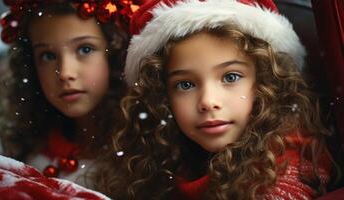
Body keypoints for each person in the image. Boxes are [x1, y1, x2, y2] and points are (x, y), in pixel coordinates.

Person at [95, 0, 337, 199]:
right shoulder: (165, 161)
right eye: (185, 84)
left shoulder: (289, 170)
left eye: (230, 77)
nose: (208, 101)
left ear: (266, 83)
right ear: (162, 96)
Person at [0, 0, 139, 188]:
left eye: (84, 49)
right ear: (31, 66)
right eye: (48, 56)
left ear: (116, 54)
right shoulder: (12, 151)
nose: (64, 73)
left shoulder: (145, 157)